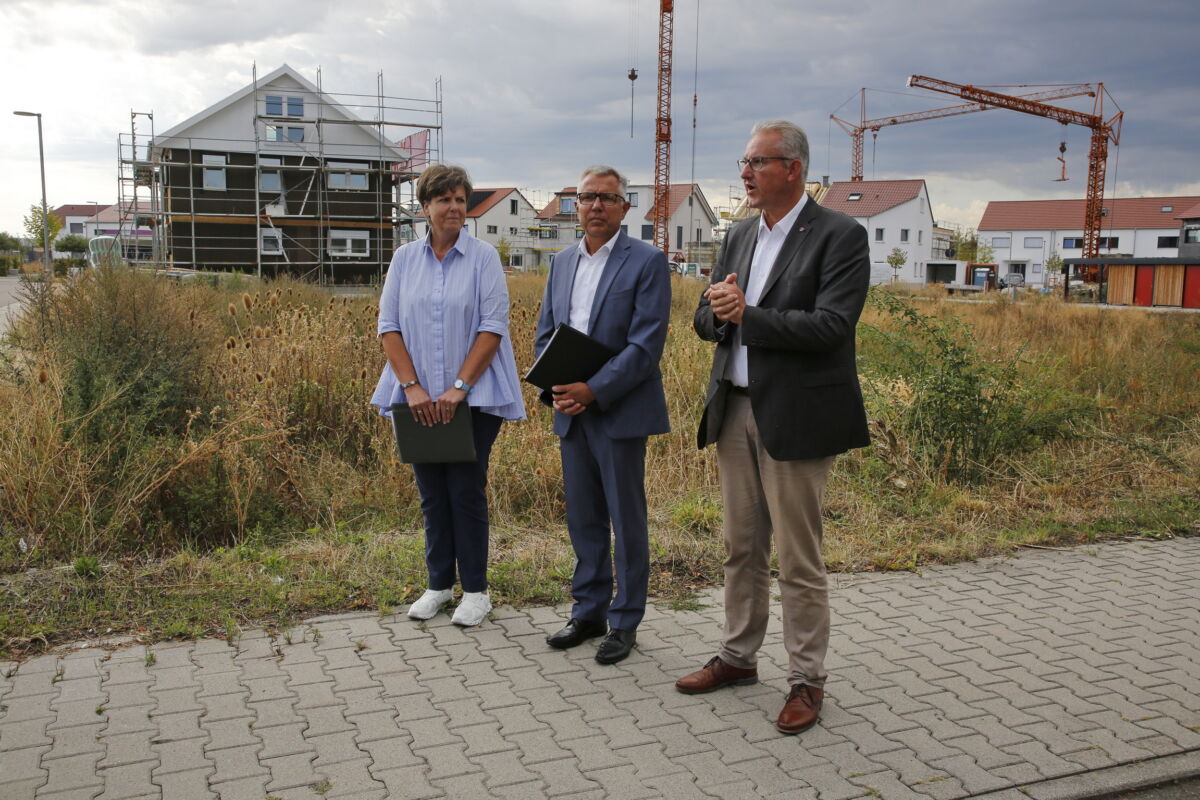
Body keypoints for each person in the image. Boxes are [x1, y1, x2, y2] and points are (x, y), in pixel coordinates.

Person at [675, 121, 870, 734]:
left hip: (796, 414)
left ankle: (807, 679)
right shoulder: (736, 235)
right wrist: (716, 313)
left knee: (798, 557)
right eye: (744, 160)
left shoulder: (840, 235)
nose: (745, 172)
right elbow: (710, 319)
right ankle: (738, 657)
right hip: (733, 406)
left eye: (757, 161)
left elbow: (832, 327)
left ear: (793, 169)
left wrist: (749, 316)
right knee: (741, 547)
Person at [371, 164, 525, 627]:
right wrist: (414, 388)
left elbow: (493, 326)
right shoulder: (404, 259)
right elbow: (389, 326)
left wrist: (458, 388)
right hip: (416, 398)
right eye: (445, 199)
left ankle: (476, 591)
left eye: (461, 199)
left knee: (465, 491)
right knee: (431, 495)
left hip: (475, 398)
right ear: (425, 208)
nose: (455, 207)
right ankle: (438, 585)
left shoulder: (482, 258)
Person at [534, 166, 671, 665]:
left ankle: (625, 619)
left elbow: (645, 344)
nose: (595, 206)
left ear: (624, 207)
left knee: (625, 518)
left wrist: (594, 389)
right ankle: (588, 611)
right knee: (583, 517)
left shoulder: (647, 261)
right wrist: (557, 389)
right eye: (587, 197)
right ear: (576, 204)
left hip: (619, 410)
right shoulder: (562, 262)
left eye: (607, 198)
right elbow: (546, 333)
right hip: (572, 410)